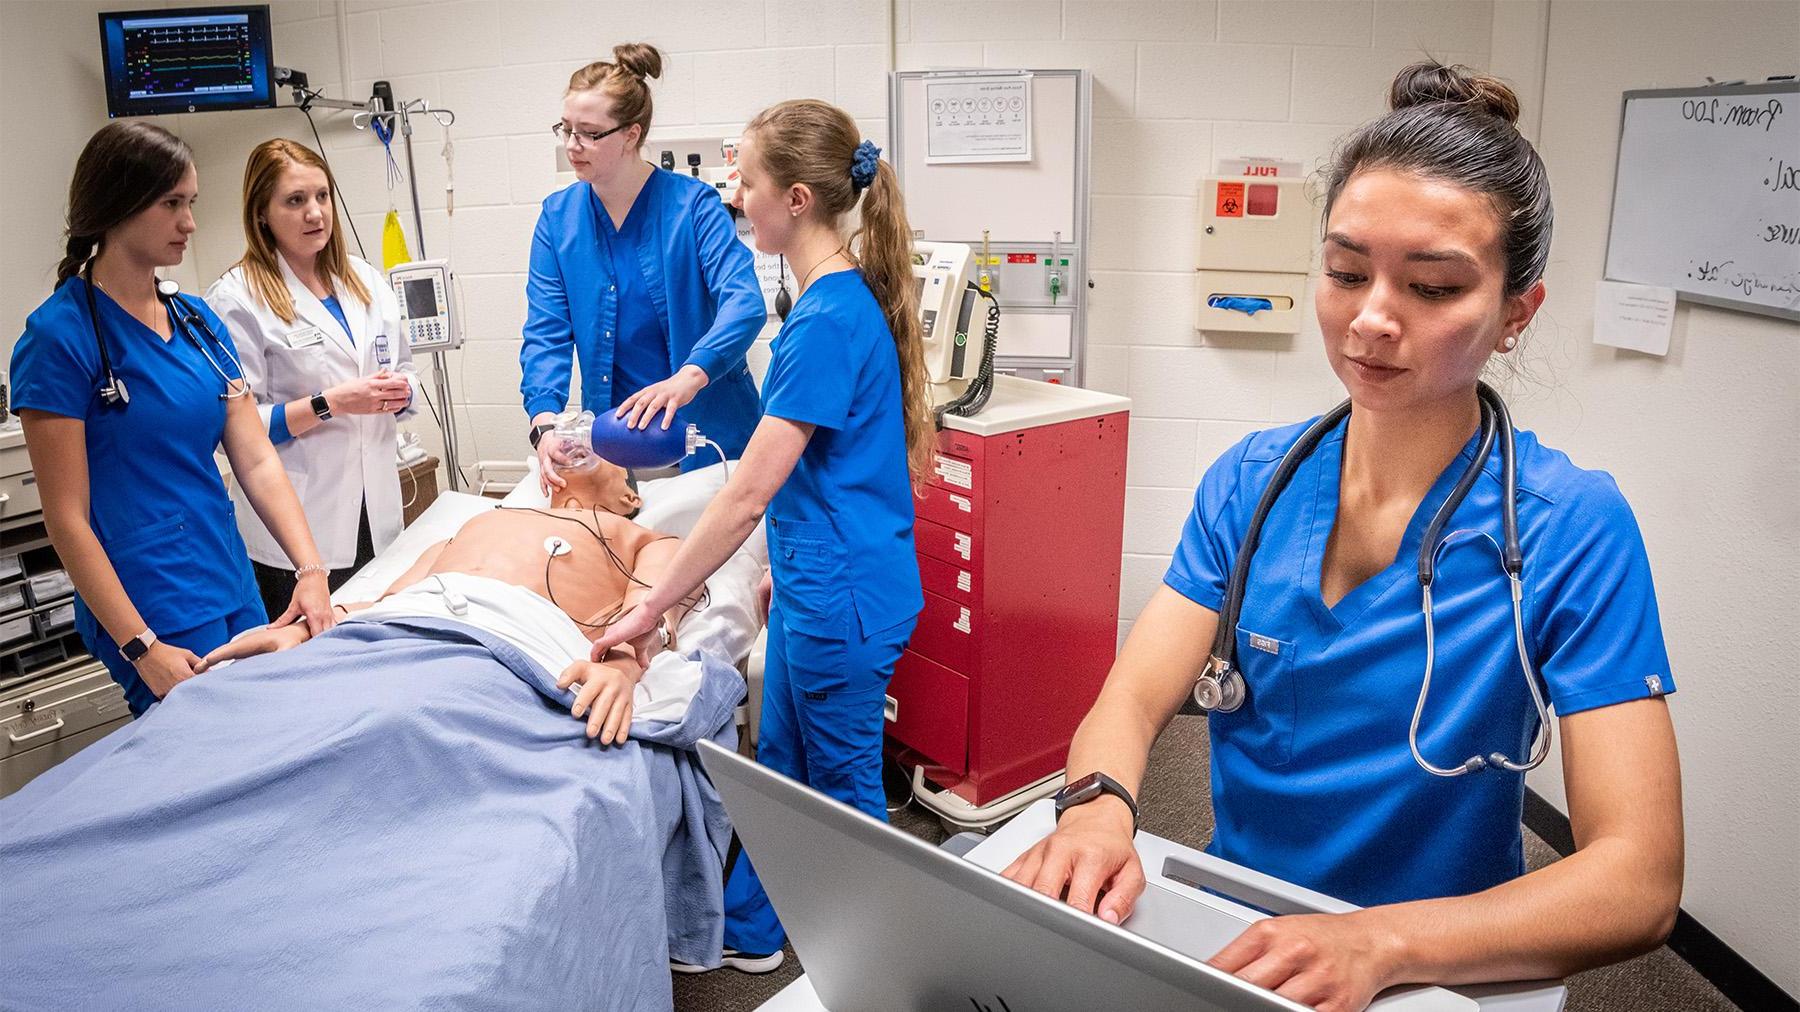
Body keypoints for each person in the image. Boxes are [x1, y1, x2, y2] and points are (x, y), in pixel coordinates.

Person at [1004, 63, 1686, 1012]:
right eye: (1345, 270)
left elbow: (1638, 880)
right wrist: (1098, 809)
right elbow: (1130, 698)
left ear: (1515, 314)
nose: (1371, 317)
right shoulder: (1252, 484)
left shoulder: (1570, 528)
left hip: (1446, 963)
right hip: (1241, 931)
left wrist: (1382, 943)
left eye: (1433, 286)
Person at [590, 99, 936, 973]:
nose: (732, 195)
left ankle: (889, 967)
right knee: (777, 762)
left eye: (744, 180)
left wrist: (649, 610)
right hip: (825, 582)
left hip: (845, 600)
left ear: (797, 200)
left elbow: (747, 496)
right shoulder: (836, 298)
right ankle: (754, 926)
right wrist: (786, 564)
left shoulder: (828, 319)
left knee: (845, 790)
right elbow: (837, 474)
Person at [10, 122, 334, 717]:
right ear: (117, 206)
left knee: (271, 735)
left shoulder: (196, 322)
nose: (190, 223)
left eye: (191, 204)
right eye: (172, 205)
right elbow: (67, 518)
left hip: (229, 578)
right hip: (149, 603)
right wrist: (141, 646)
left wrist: (309, 569)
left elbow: (256, 457)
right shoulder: (59, 338)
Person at [202, 454, 696, 743]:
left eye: (601, 448)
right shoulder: (481, 521)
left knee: (391, 731)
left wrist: (624, 670)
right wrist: (304, 630)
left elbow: (648, 617)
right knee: (264, 725)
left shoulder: (641, 536)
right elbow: (390, 600)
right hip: (402, 628)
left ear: (630, 497)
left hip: (508, 645)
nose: (582, 444)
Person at [522, 42, 765, 495]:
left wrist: (687, 379)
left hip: (709, 443)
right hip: (620, 447)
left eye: (590, 133)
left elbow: (744, 303)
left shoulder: (693, 207)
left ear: (631, 134)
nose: (573, 145)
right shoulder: (558, 220)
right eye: (566, 129)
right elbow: (546, 333)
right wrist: (545, 423)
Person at [205, 138, 422, 621]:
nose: (315, 213)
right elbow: (233, 432)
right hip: (297, 532)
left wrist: (401, 391)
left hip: (378, 512)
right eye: (295, 201)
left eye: (322, 196)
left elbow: (404, 368)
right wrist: (332, 403)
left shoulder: (365, 280)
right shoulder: (237, 299)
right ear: (261, 212)